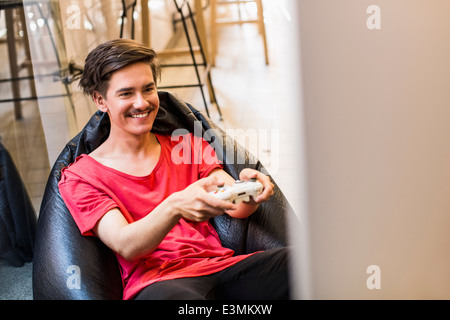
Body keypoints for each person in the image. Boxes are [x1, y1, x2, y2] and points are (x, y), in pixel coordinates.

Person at [58, 38, 290, 300]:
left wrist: (249, 190)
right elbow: (126, 244)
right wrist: (176, 205)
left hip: (220, 268)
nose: (142, 103)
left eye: (148, 89)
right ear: (100, 100)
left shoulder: (185, 146)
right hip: (161, 284)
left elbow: (234, 206)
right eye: (126, 93)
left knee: (310, 264)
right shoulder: (82, 177)